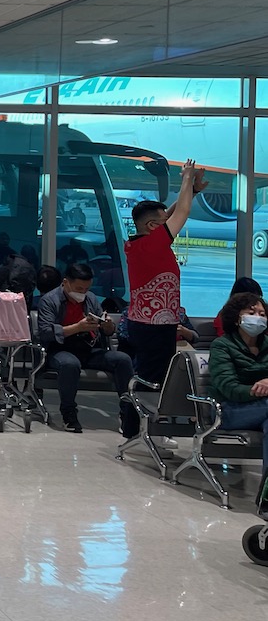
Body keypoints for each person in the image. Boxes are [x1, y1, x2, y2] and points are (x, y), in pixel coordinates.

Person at [124, 160, 206, 389]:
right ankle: (135, 421)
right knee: (151, 380)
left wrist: (193, 191)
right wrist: (186, 179)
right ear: (152, 226)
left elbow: (172, 213)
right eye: (162, 222)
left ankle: (136, 419)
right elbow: (182, 212)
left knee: (151, 376)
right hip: (153, 325)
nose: (168, 223)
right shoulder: (151, 245)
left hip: (154, 323)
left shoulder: (141, 243)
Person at [36, 263, 135, 434]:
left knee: (122, 360)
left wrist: (107, 326)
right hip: (59, 349)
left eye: (86, 289)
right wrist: (77, 327)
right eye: (79, 288)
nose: (82, 293)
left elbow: (108, 332)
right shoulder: (49, 301)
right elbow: (45, 333)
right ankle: (68, 413)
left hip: (88, 348)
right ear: (66, 283)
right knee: (70, 364)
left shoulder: (91, 298)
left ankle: (128, 413)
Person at [207, 291, 268, 516]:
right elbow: (229, 388)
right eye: (251, 313)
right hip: (229, 410)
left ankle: (266, 498)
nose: (258, 317)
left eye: (262, 313)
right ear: (237, 318)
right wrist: (259, 390)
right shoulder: (222, 346)